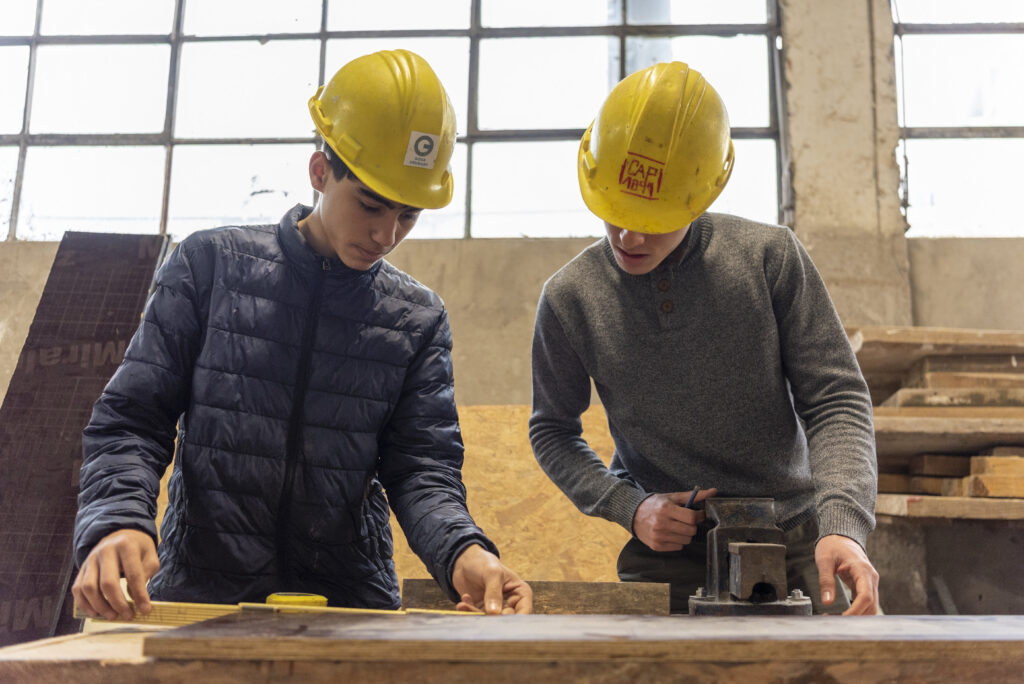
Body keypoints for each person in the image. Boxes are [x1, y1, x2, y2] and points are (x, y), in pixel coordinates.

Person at [72, 49, 532, 620]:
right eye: (371, 204)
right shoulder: (209, 269)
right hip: (206, 599)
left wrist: (466, 552)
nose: (387, 234)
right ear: (320, 172)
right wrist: (117, 520)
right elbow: (133, 419)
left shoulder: (416, 319)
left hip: (349, 609)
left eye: (409, 215)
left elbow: (422, 469)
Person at [528, 61, 879, 615]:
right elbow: (552, 430)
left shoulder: (769, 260)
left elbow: (835, 400)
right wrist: (629, 507)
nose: (630, 234)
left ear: (704, 193)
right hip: (665, 548)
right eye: (615, 212)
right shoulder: (572, 297)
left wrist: (843, 525)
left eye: (656, 216)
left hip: (794, 539)